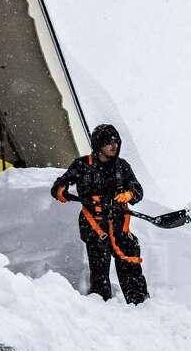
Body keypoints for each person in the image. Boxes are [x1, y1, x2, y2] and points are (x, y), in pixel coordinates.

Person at [50, 124, 149, 304]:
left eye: (117, 142)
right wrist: (61, 191)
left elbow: (138, 190)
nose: (114, 146)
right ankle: (101, 307)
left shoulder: (122, 166)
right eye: (109, 142)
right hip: (94, 227)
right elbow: (59, 186)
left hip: (119, 225)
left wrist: (129, 194)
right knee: (100, 270)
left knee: (130, 261)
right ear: (98, 144)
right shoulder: (82, 165)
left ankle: (140, 304)